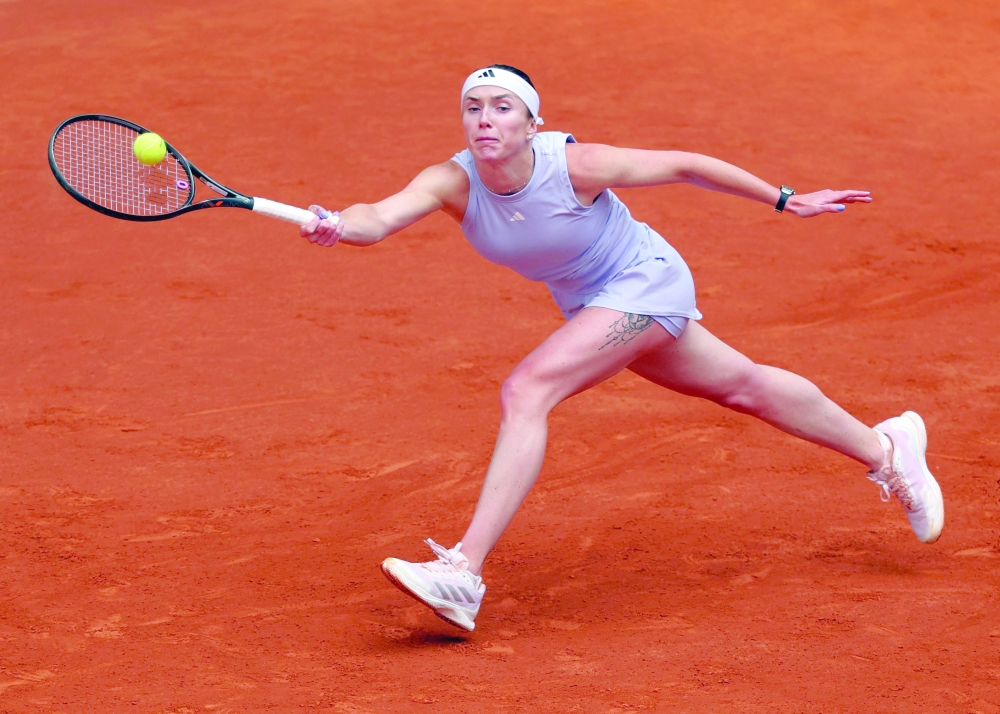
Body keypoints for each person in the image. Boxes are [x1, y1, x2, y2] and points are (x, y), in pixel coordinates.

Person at [300, 64, 944, 632]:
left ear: (531, 124)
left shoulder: (574, 164)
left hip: (645, 280)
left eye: (502, 108)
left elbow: (685, 164)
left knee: (528, 388)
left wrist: (786, 198)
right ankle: (886, 448)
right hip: (594, 305)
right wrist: (335, 223)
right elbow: (376, 217)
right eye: (474, 107)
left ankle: (464, 571)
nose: (485, 120)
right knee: (740, 384)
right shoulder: (451, 180)